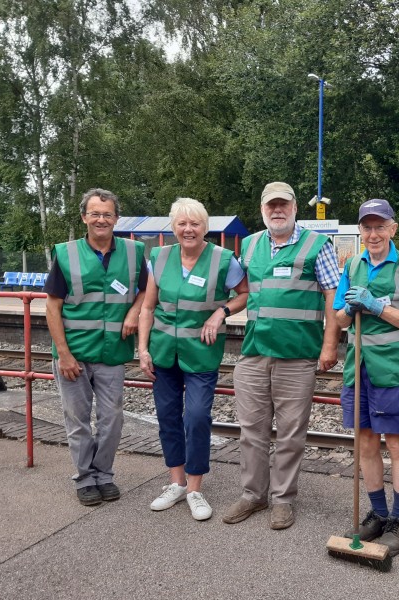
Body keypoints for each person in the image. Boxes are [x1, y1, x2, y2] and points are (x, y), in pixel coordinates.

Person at [222, 182, 341, 530]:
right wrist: (215, 310)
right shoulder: (250, 245)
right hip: (254, 353)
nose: (277, 210)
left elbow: (333, 296)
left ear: (294, 209)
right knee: (251, 431)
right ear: (262, 209)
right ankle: (253, 495)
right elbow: (236, 288)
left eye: (283, 205)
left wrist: (330, 345)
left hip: (297, 355)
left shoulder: (318, 245)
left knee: (291, 433)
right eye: (271, 205)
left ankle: (283, 499)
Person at [333, 198, 399, 557]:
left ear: (393, 229)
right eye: (367, 227)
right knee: (365, 441)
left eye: (380, 226)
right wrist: (349, 307)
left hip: (393, 370)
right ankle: (376, 512)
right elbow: (340, 321)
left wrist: (377, 306)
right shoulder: (353, 265)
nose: (373, 233)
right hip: (357, 369)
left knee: (396, 443)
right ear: (360, 231)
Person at [138, 198, 248, 521]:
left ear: (205, 227)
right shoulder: (159, 257)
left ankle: (195, 489)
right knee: (168, 417)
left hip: (201, 354)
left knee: (197, 417)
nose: (188, 229)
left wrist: (221, 312)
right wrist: (143, 349)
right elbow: (147, 307)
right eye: (182, 223)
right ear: (173, 227)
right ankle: (176, 482)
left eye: (195, 223)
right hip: (162, 354)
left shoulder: (223, 259)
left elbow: (243, 294)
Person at [45, 188, 147, 506]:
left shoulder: (133, 252)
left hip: (111, 353)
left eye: (107, 214)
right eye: (95, 213)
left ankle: (104, 474)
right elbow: (52, 307)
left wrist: (133, 311)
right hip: (73, 353)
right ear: (84, 218)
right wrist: (63, 353)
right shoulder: (66, 253)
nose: (101, 219)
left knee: (112, 418)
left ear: (116, 218)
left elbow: (146, 291)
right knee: (76, 419)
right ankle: (85, 478)